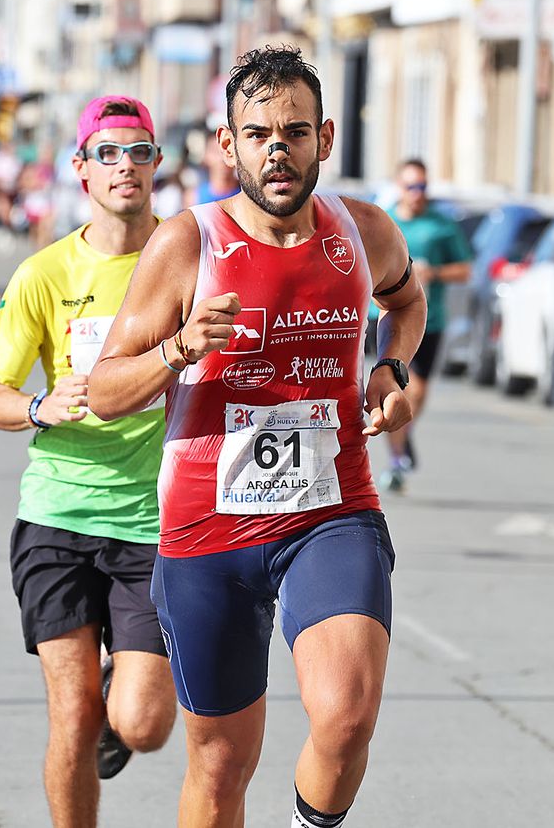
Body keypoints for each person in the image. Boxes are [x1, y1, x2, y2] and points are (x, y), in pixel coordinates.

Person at [89, 46, 425, 828]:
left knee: (345, 718)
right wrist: (177, 350)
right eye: (260, 133)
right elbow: (104, 390)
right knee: (221, 763)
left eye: (296, 132)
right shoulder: (187, 244)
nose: (279, 149)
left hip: (330, 511)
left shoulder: (363, 230)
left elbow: (407, 307)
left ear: (326, 139)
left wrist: (391, 372)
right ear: (227, 144)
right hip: (209, 533)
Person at [0, 96, 176, 828]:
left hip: (155, 520)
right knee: (72, 712)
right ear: (81, 168)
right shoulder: (43, 273)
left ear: (158, 165)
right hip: (57, 512)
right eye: (110, 153)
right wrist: (37, 407)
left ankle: (120, 683)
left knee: (145, 722)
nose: (126, 166)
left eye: (140, 152)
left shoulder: (185, 259)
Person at [377, 158, 471, 490]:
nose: (417, 194)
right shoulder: (382, 220)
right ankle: (397, 460)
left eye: (422, 187)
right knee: (394, 387)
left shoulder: (441, 226)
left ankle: (405, 435)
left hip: (431, 320)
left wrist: (433, 273)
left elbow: (465, 270)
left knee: (418, 392)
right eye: (410, 186)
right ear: (398, 187)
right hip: (388, 318)